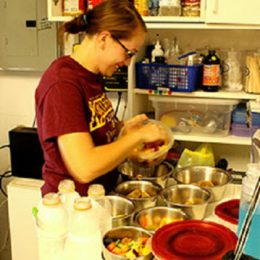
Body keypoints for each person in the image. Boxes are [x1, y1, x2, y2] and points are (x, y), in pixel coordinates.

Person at [35, 0, 167, 196]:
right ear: (104, 38)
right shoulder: (62, 85)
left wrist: (123, 130)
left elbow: (94, 131)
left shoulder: (91, 75)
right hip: (73, 210)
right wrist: (136, 137)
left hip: (99, 198)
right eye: (128, 52)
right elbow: (84, 168)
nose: (128, 62)